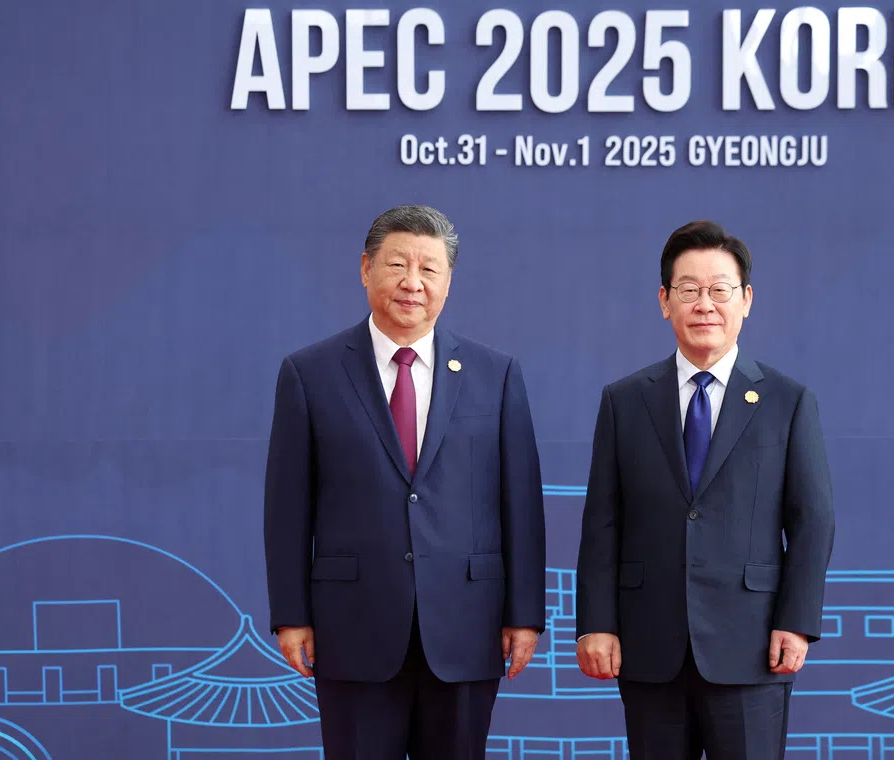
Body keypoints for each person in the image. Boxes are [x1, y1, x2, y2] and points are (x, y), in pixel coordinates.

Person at [263, 204, 547, 759]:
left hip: (467, 624)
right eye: (397, 265)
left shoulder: (497, 374)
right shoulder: (310, 373)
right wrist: (291, 614)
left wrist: (524, 614)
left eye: (429, 269)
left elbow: (521, 504)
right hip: (354, 624)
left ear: (448, 282)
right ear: (366, 269)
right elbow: (287, 505)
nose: (412, 283)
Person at [574, 220, 835, 760]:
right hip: (650, 646)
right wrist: (596, 624)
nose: (705, 304)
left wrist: (797, 621)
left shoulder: (787, 402)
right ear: (665, 301)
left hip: (752, 643)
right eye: (689, 290)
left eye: (720, 290)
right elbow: (603, 521)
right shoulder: (624, 401)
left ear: (746, 301)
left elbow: (813, 520)